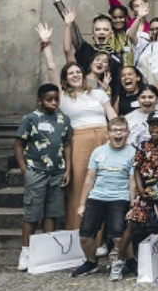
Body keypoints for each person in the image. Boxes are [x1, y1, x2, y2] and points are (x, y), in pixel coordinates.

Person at [37, 23, 118, 230]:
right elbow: (52, 68)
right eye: (71, 73)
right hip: (79, 140)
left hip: (103, 139)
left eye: (77, 72)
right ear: (66, 78)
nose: (75, 75)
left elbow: (112, 116)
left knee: (104, 186)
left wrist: (119, 133)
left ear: (83, 74)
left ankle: (100, 238)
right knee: (79, 186)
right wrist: (46, 43)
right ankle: (77, 233)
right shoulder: (62, 96)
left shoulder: (98, 93)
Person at [116, 110, 158, 278]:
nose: (154, 128)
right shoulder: (143, 145)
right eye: (152, 124)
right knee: (132, 223)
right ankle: (118, 262)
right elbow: (137, 169)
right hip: (146, 189)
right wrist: (141, 189)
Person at [14, 84, 74, 271]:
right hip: (36, 171)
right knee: (32, 213)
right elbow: (18, 144)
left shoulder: (64, 120)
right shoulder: (31, 119)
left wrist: (68, 169)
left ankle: (49, 252)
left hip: (57, 172)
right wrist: (25, 169)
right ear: (39, 100)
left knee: (52, 213)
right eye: (49, 99)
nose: (54, 102)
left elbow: (67, 145)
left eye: (56, 99)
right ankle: (25, 252)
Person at [71, 118, 135, 280]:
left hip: (120, 197)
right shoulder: (98, 152)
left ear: (128, 133)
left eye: (121, 130)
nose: (118, 133)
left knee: (119, 236)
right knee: (85, 235)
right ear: (107, 134)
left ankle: (130, 260)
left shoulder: (132, 152)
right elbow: (89, 179)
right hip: (97, 197)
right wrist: (81, 204)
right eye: (114, 130)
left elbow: (132, 180)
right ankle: (91, 262)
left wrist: (133, 204)